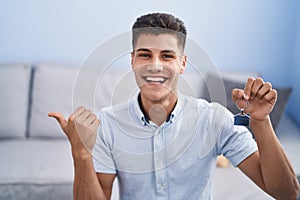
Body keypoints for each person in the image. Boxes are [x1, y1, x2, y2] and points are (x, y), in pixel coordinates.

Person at [48, 13, 299, 200]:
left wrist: (261, 121)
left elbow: (288, 194)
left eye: (167, 56)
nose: (155, 65)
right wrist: (81, 154)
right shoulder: (109, 123)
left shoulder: (214, 119)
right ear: (133, 60)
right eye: (145, 54)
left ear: (182, 63)